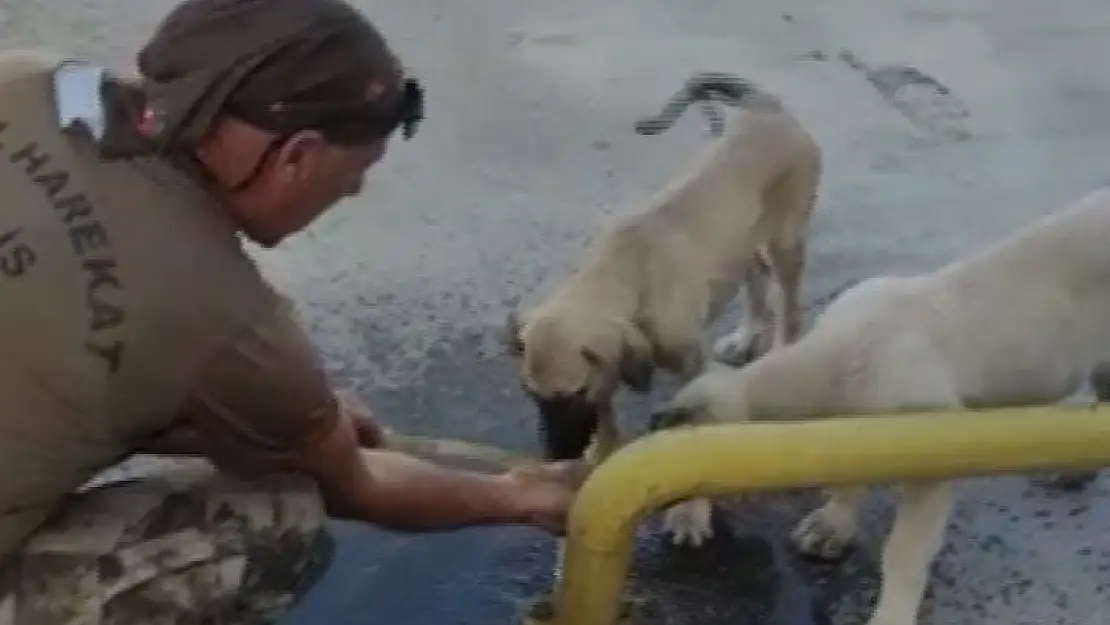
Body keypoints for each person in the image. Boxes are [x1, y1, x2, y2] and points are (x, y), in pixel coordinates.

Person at [0, 0, 581, 622]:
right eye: (356, 170)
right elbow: (361, 486)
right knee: (277, 517)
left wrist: (261, 420)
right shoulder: (229, 321)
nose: (354, 191)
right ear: (295, 157)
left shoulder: (25, 78)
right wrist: (519, 495)